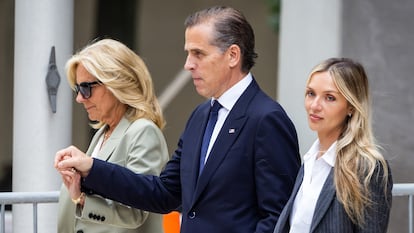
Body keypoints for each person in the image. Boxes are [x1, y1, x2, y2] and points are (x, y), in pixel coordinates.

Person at [55, 6, 301, 233]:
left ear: (233, 55)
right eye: (188, 53)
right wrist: (92, 168)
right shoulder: (200, 116)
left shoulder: (267, 119)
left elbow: (278, 217)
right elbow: (163, 193)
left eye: (198, 54)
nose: (188, 65)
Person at [57, 38, 169, 233]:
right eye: (77, 89)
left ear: (115, 83)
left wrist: (81, 199)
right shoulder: (104, 132)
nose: (79, 98)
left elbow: (139, 210)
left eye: (86, 88)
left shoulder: (142, 132)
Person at [273, 58, 393, 233]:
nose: (314, 106)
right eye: (311, 93)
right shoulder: (310, 161)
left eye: (329, 98)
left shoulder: (367, 169)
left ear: (351, 107)